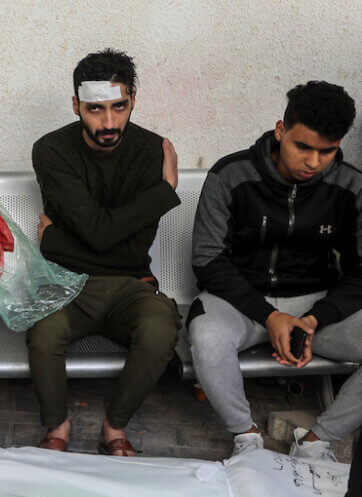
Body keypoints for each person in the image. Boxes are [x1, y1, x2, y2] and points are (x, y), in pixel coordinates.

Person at [190, 81, 362, 461]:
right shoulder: (230, 174)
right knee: (206, 335)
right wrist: (270, 316)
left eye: (327, 151)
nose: (314, 162)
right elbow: (206, 260)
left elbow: (361, 273)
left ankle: (319, 441)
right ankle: (246, 436)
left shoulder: (352, 185)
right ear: (281, 131)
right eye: (303, 147)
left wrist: (317, 317)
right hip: (242, 302)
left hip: (317, 309)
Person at [28, 49, 181, 456]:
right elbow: (101, 234)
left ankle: (114, 429)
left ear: (133, 100)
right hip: (66, 284)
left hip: (131, 284)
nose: (109, 123)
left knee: (160, 328)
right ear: (76, 105)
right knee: (43, 332)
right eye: (95, 109)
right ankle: (57, 426)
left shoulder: (151, 150)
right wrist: (161, 195)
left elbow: (130, 246)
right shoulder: (51, 150)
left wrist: (55, 241)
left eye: (119, 107)